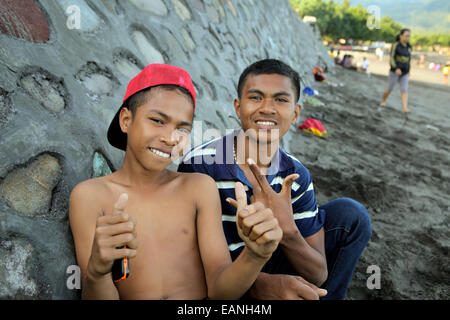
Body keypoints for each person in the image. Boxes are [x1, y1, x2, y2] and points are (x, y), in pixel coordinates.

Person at [68, 63, 284, 300]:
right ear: (126, 120)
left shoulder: (198, 188)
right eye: (158, 121)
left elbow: (220, 290)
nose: (171, 139)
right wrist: (98, 274)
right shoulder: (90, 196)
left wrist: (255, 255)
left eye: (182, 128)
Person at [178, 59, 372, 300]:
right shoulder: (202, 165)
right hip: (220, 278)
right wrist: (261, 284)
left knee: (351, 215)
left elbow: (319, 273)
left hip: (271, 261)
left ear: (295, 113)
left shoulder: (296, 176)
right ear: (238, 108)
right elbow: (181, 255)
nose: (267, 108)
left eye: (280, 100)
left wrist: (287, 228)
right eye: (256, 97)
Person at [380, 29, 412, 113]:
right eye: (406, 35)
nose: (407, 38)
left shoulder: (409, 46)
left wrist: (409, 70)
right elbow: (392, 58)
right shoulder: (396, 45)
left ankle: (404, 108)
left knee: (404, 89)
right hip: (395, 71)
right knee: (390, 87)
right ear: (401, 36)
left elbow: (409, 59)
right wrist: (396, 68)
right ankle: (383, 101)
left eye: (409, 36)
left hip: (404, 72)